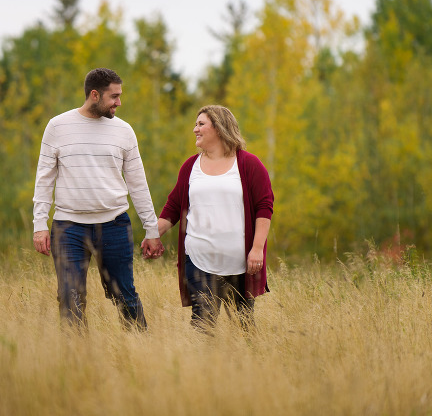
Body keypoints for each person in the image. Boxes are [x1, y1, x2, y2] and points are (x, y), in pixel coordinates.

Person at [32, 67, 164, 330]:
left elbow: (138, 183)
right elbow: (44, 180)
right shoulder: (57, 127)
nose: (119, 102)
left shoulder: (124, 131)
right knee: (70, 298)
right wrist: (39, 225)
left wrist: (152, 229)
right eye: (114, 96)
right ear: (95, 95)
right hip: (68, 227)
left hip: (114, 226)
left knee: (125, 296)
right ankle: (77, 359)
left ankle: (141, 353)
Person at [157, 105, 273, 332]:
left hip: (240, 263)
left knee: (245, 328)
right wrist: (152, 234)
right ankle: (200, 368)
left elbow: (264, 207)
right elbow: (173, 207)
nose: (195, 129)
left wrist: (257, 248)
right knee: (203, 326)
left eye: (201, 124)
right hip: (199, 260)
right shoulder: (191, 166)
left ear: (219, 128)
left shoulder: (249, 164)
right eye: (195, 124)